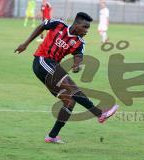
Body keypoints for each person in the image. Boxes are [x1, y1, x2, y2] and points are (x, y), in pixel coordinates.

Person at [15, 12, 119, 144]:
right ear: (76, 25)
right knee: (72, 87)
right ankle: (99, 114)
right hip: (42, 61)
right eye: (85, 27)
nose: (87, 31)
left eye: (88, 28)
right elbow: (41, 26)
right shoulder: (59, 24)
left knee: (70, 101)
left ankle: (52, 136)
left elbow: (78, 57)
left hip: (52, 67)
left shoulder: (79, 42)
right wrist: (25, 44)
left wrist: (77, 65)